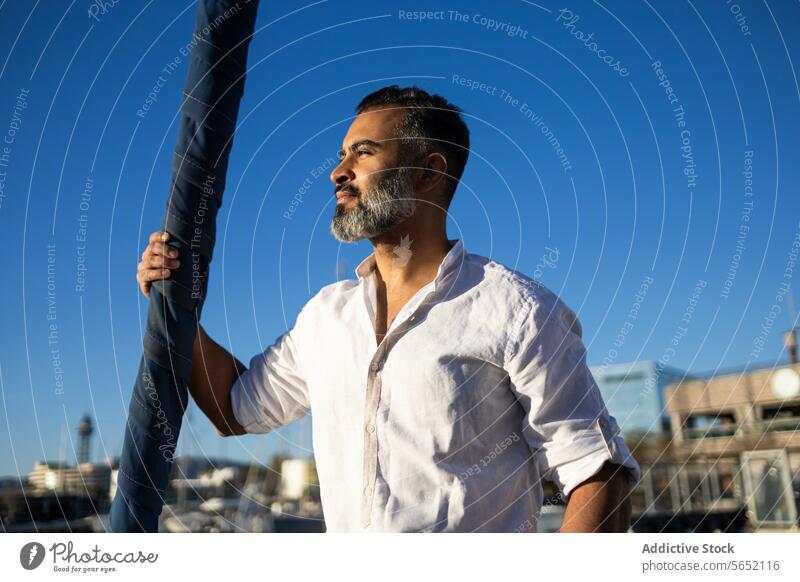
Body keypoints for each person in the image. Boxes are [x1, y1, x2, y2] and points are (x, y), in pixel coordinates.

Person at [136, 85, 640, 532]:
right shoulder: (325, 318)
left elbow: (597, 471)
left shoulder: (517, 311)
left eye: (363, 153)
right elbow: (232, 408)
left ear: (427, 171)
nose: (337, 172)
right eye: (340, 155)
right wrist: (173, 302)